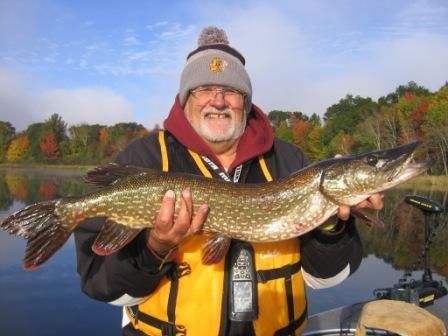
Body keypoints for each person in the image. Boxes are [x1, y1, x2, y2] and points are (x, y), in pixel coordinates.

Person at [74, 26, 383, 336]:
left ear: (245, 101)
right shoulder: (145, 157)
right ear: (186, 99)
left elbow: (325, 279)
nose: (218, 101)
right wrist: (154, 248)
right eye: (204, 88)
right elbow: (104, 288)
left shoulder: (291, 162)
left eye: (231, 91)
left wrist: (332, 228)